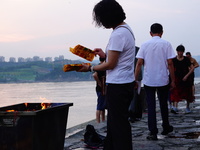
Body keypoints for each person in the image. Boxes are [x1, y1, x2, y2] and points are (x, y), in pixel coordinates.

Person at [78, 0, 136, 149]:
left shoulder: (118, 34)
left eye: (101, 18)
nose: (100, 22)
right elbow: (115, 59)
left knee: (118, 126)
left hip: (118, 85)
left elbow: (111, 65)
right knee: (115, 124)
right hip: (125, 83)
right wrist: (104, 55)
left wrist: (91, 68)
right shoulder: (126, 29)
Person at [134, 23, 175, 140]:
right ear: (162, 33)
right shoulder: (166, 44)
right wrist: (173, 80)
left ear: (150, 33)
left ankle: (153, 131)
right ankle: (166, 126)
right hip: (163, 79)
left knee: (151, 106)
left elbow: (139, 63)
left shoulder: (144, 45)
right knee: (163, 104)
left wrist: (135, 79)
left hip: (149, 80)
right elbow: (170, 63)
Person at [170, 45, 195, 114]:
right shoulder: (174, 59)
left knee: (187, 93)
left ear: (183, 52)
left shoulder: (186, 59)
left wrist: (187, 76)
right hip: (177, 78)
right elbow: (171, 68)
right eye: (178, 51)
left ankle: (187, 107)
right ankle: (175, 107)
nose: (179, 53)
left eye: (181, 52)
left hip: (186, 78)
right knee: (175, 92)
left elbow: (192, 68)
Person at [93, 58, 106, 123]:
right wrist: (99, 82)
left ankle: (103, 119)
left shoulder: (100, 66)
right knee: (100, 105)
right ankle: (98, 121)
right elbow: (94, 75)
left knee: (102, 104)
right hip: (101, 88)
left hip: (102, 88)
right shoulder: (100, 67)